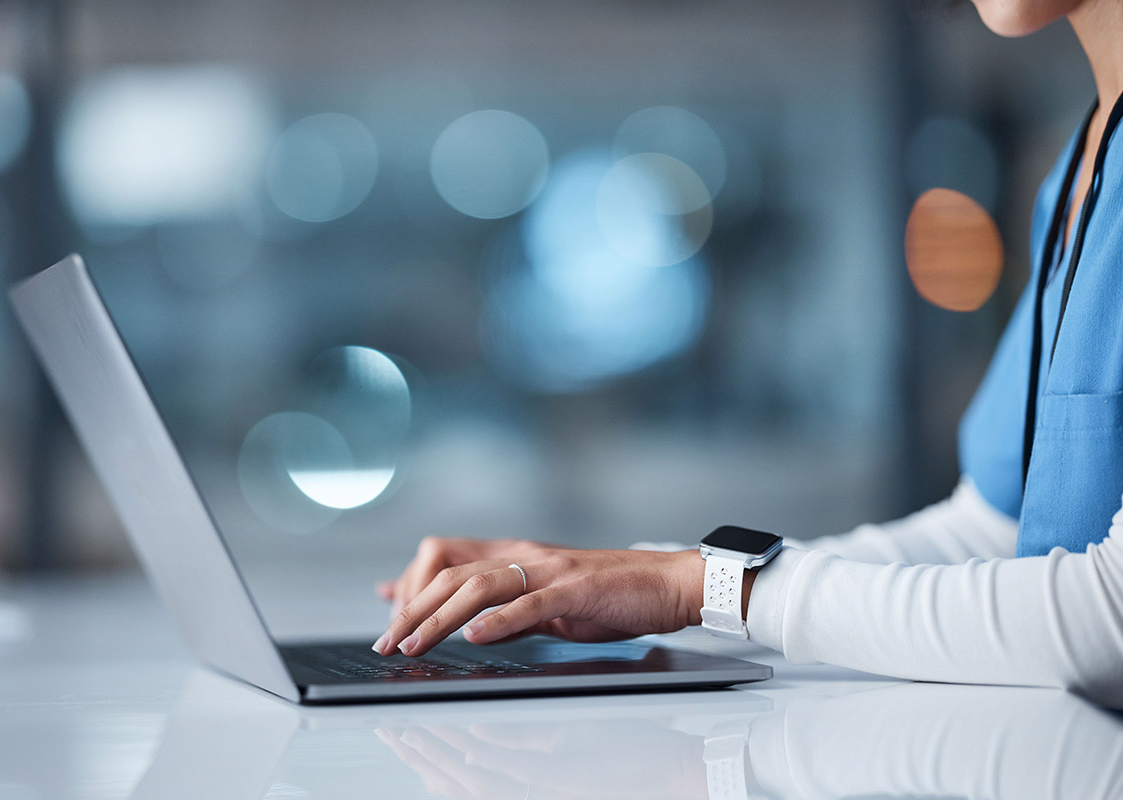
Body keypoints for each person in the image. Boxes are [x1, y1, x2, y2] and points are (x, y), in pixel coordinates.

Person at [371, 0, 1123, 710]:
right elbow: (991, 536)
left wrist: (707, 588)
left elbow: (1109, 621)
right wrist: (638, 574)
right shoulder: (1078, 175)